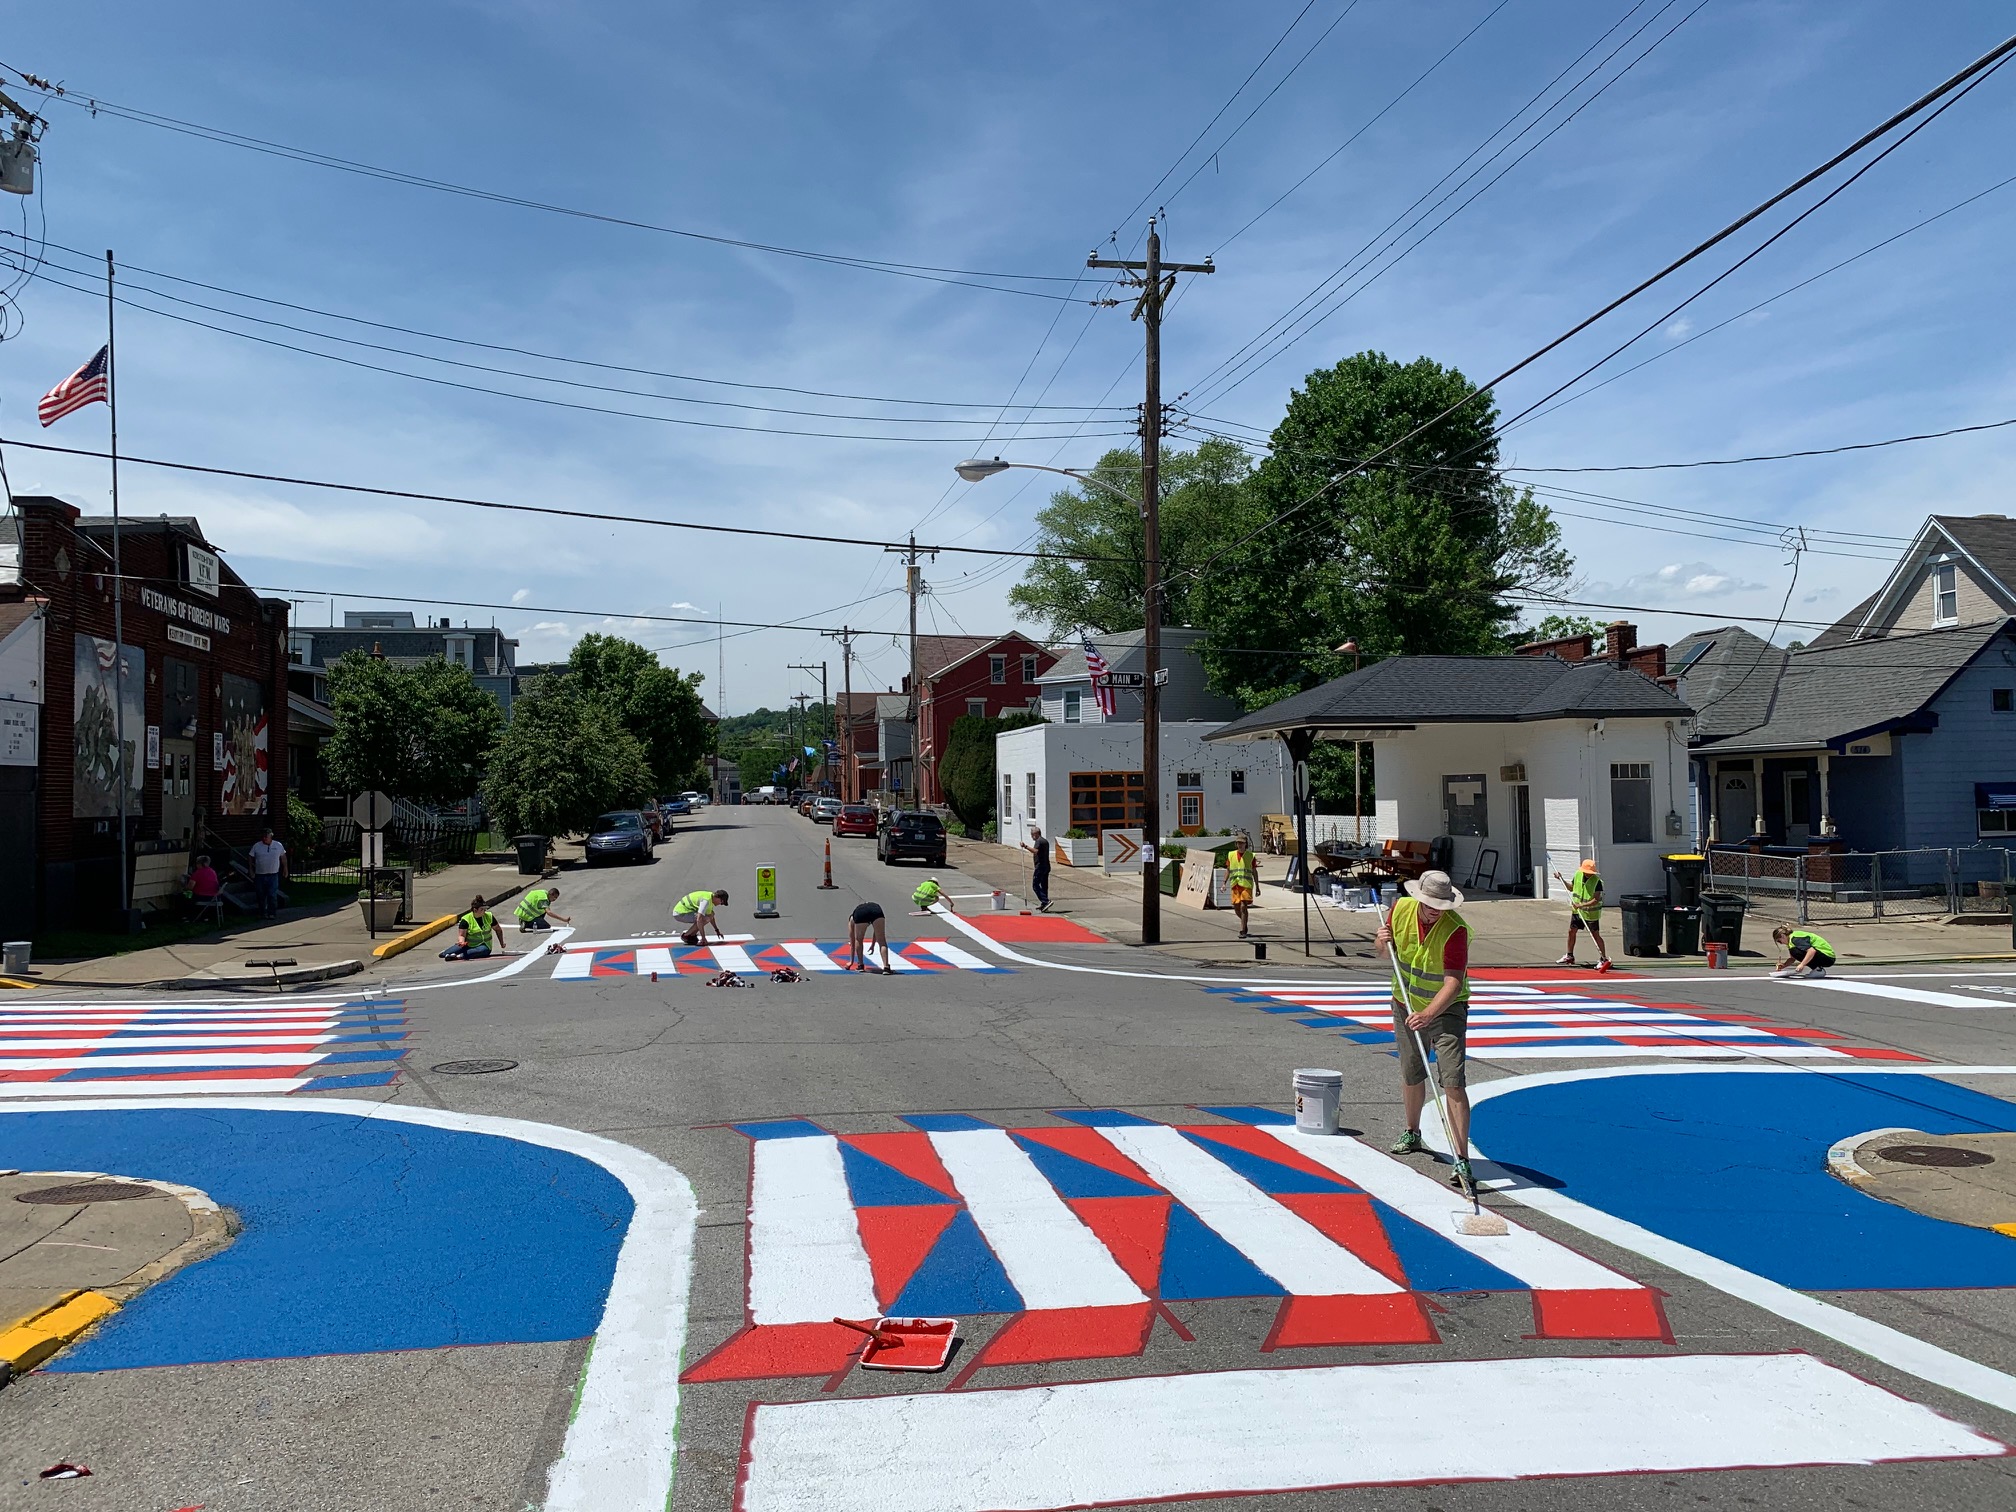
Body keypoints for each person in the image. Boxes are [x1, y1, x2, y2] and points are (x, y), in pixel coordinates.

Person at [1373, 869, 1476, 1191]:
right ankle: (1412, 1132)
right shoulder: (1400, 909)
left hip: (1446, 1009)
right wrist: (1380, 940)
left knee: (1453, 1081)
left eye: (1441, 906)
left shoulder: (1456, 931)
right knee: (1412, 1071)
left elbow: (1453, 982)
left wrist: (1429, 1014)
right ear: (1419, 898)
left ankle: (1461, 1158)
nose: (1435, 910)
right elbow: (1383, 952)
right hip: (1405, 1002)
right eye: (1431, 904)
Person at [1553, 858, 1612, 971]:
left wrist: (1581, 905)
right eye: (1587, 872)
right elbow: (1571, 888)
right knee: (1571, 932)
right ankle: (1569, 956)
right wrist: (1562, 880)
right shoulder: (1578, 875)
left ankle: (1603, 958)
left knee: (1595, 935)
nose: (1588, 875)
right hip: (1577, 912)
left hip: (1591, 913)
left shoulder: (1597, 882)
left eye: (1590, 873)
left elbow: (1595, 899)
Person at [440, 895, 506, 960]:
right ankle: (446, 953)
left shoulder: (489, 916)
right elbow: (462, 935)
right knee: (445, 954)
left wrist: (502, 943)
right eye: (482, 909)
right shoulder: (466, 919)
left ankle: (459, 956)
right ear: (475, 910)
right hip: (468, 945)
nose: (484, 911)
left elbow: (498, 930)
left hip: (484, 945)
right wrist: (462, 942)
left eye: (485, 909)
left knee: (483, 950)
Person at [249, 827, 288, 919]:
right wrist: (251, 869)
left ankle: (272, 912)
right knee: (260, 894)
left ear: (271, 836)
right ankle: (262, 912)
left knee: (272, 894)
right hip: (260, 875)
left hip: (273, 874)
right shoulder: (257, 846)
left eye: (267, 837)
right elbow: (250, 857)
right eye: (263, 837)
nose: (265, 838)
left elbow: (283, 857)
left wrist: (285, 868)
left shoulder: (278, 845)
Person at [1224, 835, 1259, 939]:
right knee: (1236, 908)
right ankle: (1244, 923)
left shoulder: (1250, 856)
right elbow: (1228, 870)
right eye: (1238, 843)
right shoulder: (1231, 855)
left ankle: (1243, 930)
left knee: (1243, 906)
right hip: (1235, 884)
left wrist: (1257, 886)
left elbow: (1254, 871)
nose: (1240, 845)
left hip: (1246, 885)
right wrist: (1223, 883)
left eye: (1242, 843)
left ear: (1245, 844)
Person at [1771, 924, 1837, 978]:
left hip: (1827, 957)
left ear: (1783, 936)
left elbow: (1811, 951)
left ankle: (1818, 970)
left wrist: (1801, 965)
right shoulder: (1791, 940)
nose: (1781, 943)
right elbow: (1792, 958)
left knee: (1794, 951)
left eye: (1779, 941)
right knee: (1794, 951)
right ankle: (1817, 969)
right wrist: (1784, 965)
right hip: (1824, 955)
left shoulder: (1795, 939)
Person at [848, 899, 893, 973]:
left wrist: (851, 961)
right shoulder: (874, 906)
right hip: (877, 911)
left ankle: (861, 965)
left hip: (861, 913)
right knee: (882, 941)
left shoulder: (852, 918)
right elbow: (876, 932)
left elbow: (852, 941)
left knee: (859, 939)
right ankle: (886, 967)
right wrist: (873, 944)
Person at [183, 854, 222, 920]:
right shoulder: (213, 872)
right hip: (213, 897)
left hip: (201, 897)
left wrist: (183, 885)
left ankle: (187, 917)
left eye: (197, 863)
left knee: (184, 896)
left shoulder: (197, 873)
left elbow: (190, 887)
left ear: (201, 864)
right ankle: (205, 917)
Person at [1023, 827, 1051, 912]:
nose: (1031, 836)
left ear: (1036, 834)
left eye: (1032, 835)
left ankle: (1046, 901)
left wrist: (1025, 846)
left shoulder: (1039, 841)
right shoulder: (1045, 841)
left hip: (1040, 866)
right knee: (1043, 885)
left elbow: (1035, 851)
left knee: (1035, 885)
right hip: (1046, 866)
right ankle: (1044, 903)